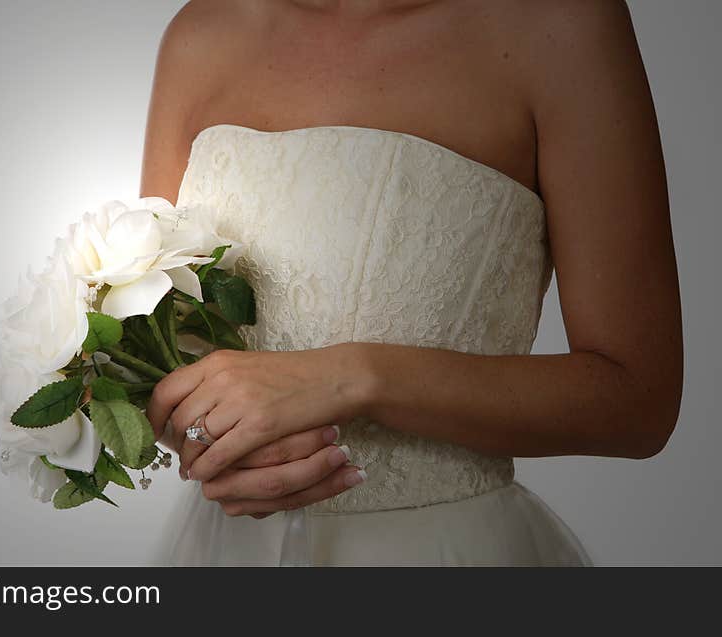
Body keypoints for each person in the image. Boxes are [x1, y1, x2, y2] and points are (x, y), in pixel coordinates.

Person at [139, 0, 682, 565]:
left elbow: (638, 403)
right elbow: (152, 338)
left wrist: (356, 377)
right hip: (229, 554)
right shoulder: (201, 33)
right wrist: (203, 440)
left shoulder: (559, 23)